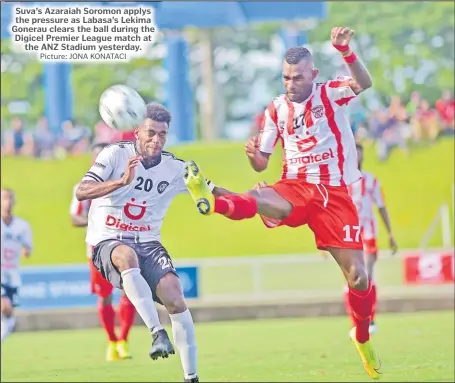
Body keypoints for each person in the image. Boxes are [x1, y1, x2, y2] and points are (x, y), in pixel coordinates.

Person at [184, 27, 382, 380]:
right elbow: (262, 161)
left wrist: (346, 51)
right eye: (286, 77)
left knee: (359, 277)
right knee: (259, 199)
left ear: (313, 75)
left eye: (298, 77)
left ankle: (362, 336)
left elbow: (363, 83)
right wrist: (252, 157)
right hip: (295, 186)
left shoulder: (331, 93)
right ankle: (209, 194)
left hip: (334, 195)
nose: (291, 84)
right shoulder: (275, 109)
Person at [75, 103, 201, 383]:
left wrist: (250, 199)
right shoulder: (114, 154)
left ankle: (191, 377)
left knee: (175, 295)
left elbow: (212, 191)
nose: (156, 140)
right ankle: (157, 333)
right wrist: (121, 182)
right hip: (108, 240)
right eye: (150, 133)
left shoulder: (174, 167)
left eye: (162, 134)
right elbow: (82, 191)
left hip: (148, 242)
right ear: (136, 132)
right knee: (125, 256)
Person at [70, 143, 136, 361]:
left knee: (129, 293)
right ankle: (111, 342)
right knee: (105, 296)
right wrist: (94, 221)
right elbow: (74, 217)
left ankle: (124, 340)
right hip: (97, 251)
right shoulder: (84, 187)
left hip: (125, 245)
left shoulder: (125, 182)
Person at [345, 143, 398, 335]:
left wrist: (390, 233)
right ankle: (355, 321)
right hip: (349, 234)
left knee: (367, 275)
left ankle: (370, 319)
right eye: (354, 154)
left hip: (368, 232)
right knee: (350, 279)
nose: (357, 157)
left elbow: (381, 207)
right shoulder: (341, 181)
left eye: (360, 154)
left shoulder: (371, 181)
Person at [1, 188, 33, 343]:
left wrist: (26, 250)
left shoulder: (22, 226)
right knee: (4, 306)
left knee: (9, 319)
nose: (7, 202)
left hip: (12, 275)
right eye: (4, 199)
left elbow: (28, 246)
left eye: (9, 199)